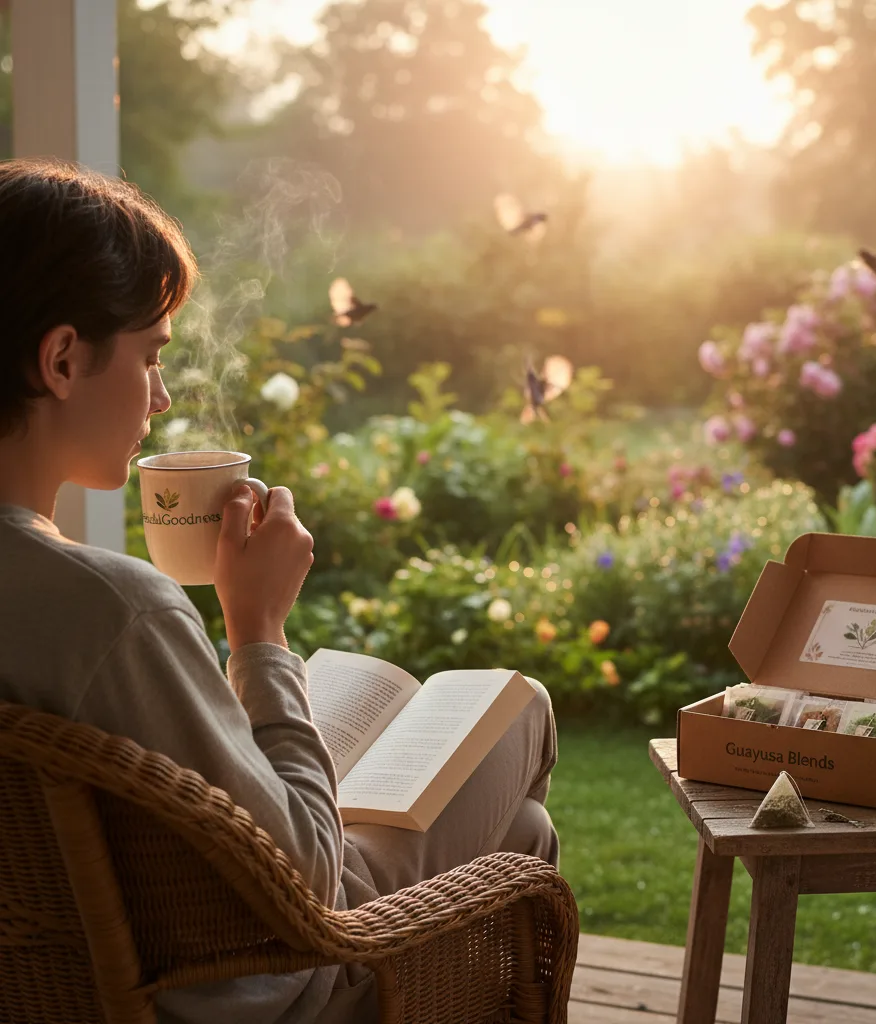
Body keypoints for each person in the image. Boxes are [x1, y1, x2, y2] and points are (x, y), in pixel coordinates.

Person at [0, 158, 558, 1024]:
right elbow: (307, 886)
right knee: (516, 715)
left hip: (59, 985)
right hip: (253, 985)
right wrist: (257, 629)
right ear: (63, 359)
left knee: (518, 842)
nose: (163, 394)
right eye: (150, 356)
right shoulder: (113, 613)